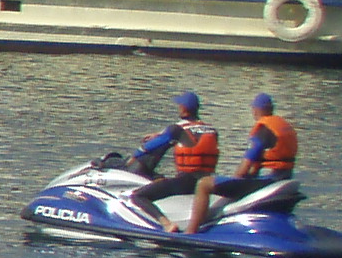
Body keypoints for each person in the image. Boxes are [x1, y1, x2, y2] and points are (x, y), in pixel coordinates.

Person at [128, 90, 222, 231]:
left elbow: (150, 147)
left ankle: (167, 224)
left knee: (138, 196)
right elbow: (190, 136)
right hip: (207, 181)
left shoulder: (177, 129)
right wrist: (160, 133)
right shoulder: (211, 129)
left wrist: (133, 158)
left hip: (186, 182)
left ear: (183, 108)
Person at [205, 92, 301, 216]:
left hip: (267, 181)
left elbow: (244, 169)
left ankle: (193, 229)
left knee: (204, 184)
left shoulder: (263, 130)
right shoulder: (284, 126)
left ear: (256, 110)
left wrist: (234, 182)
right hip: (284, 177)